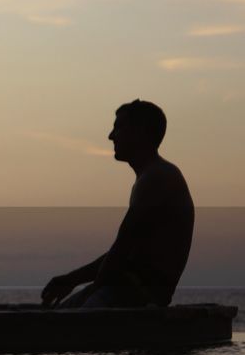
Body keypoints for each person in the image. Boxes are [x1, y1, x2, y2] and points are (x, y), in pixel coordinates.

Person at [42, 100, 194, 308]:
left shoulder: (157, 178)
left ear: (140, 132)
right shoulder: (152, 177)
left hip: (137, 296)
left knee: (64, 322)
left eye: (118, 127)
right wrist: (72, 279)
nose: (111, 136)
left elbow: (122, 248)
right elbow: (124, 253)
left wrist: (89, 287)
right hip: (128, 289)